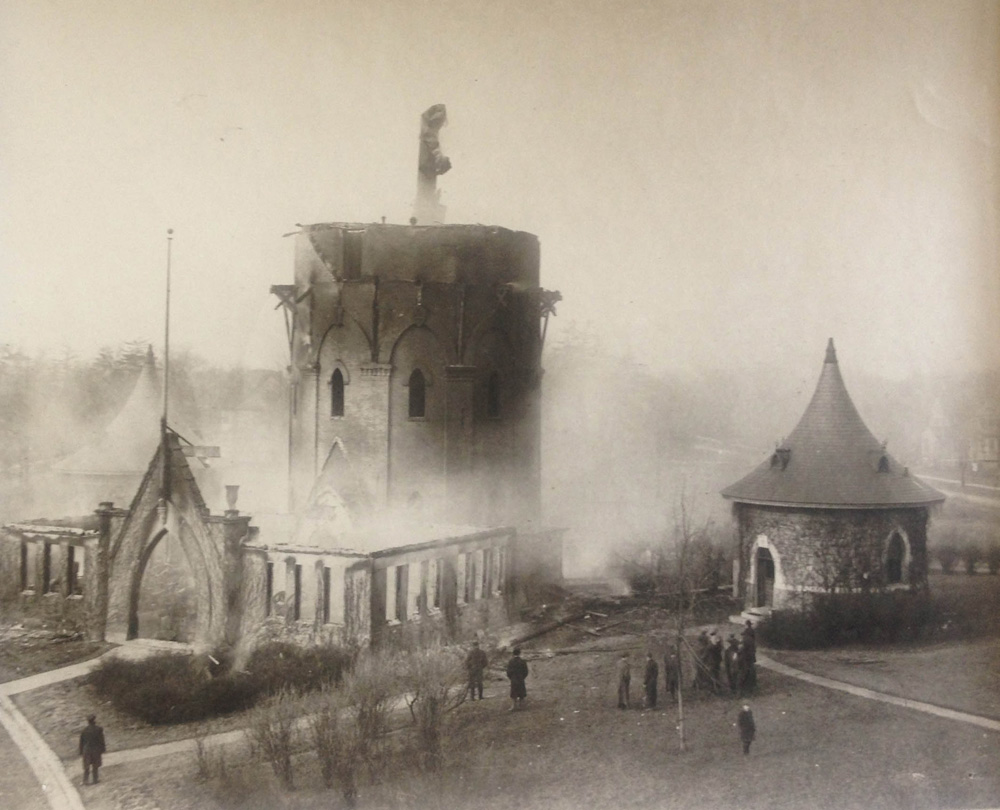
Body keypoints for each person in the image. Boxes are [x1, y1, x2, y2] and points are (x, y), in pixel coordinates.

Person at [79, 714, 106, 785]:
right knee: (95, 765)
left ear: (88, 722)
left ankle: (85, 780)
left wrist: (81, 751)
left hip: (87, 749)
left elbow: (81, 742)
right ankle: (95, 779)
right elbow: (101, 740)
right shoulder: (99, 729)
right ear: (94, 721)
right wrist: (103, 749)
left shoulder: (84, 730)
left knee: (86, 766)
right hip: (95, 749)